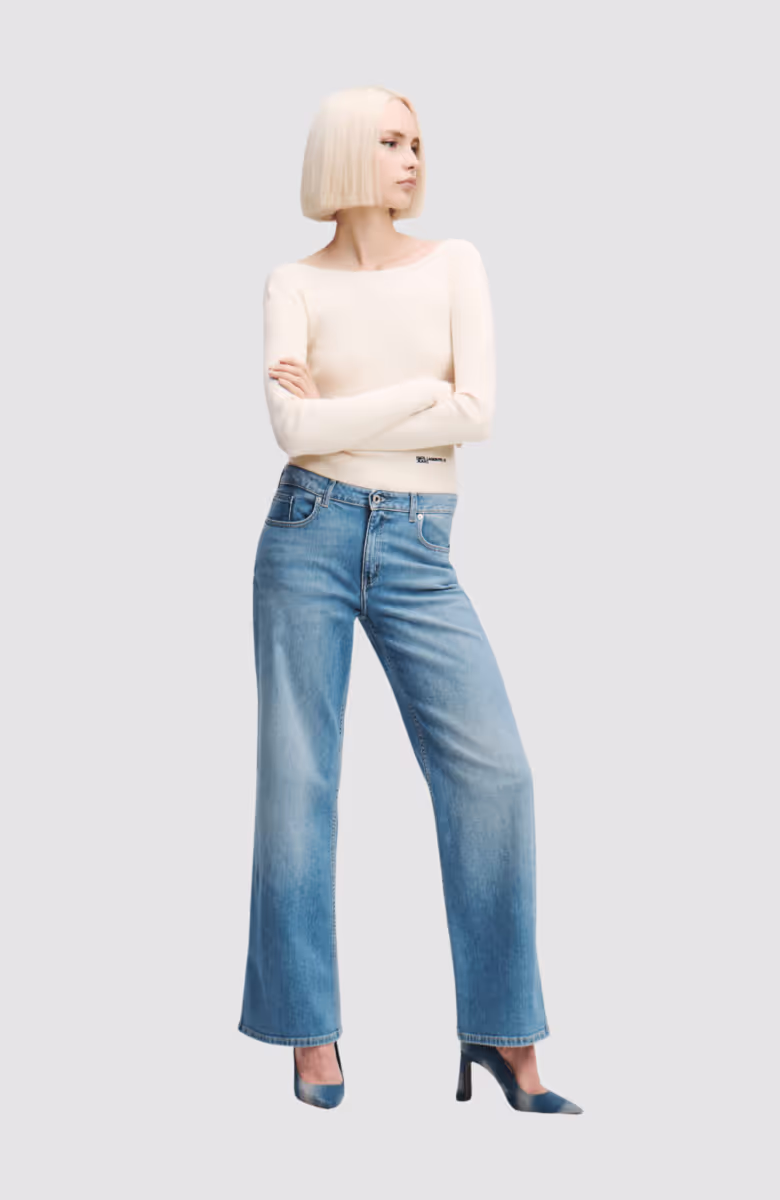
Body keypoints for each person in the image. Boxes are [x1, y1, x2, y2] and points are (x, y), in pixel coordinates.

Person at [237, 85, 582, 1114]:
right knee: (296, 786)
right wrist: (419, 398)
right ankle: (308, 1033)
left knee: (497, 776)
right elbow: (292, 434)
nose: (412, 158)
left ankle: (503, 1033)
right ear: (345, 151)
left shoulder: (455, 263)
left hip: (421, 546)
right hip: (305, 532)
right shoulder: (292, 281)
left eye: (418, 142)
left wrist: (353, 410)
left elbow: (475, 413)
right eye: (390, 141)